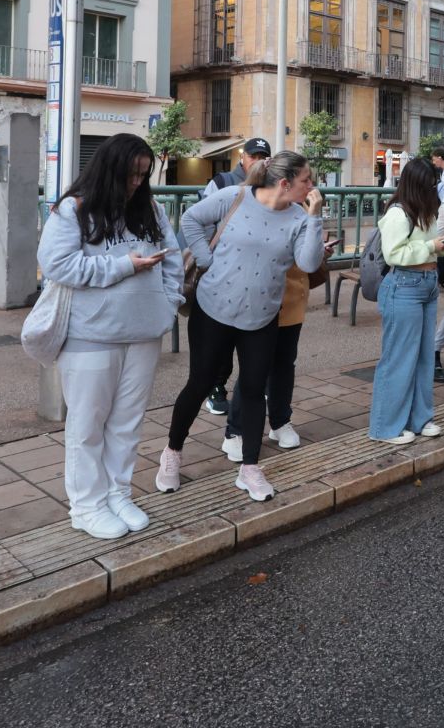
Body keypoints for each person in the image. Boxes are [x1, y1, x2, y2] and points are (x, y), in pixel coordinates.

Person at [36, 133, 184, 540]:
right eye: (129, 174)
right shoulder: (74, 209)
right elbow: (57, 265)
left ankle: (118, 492)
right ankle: (86, 505)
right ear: (109, 170)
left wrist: (168, 303)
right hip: (90, 334)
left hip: (143, 332)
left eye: (142, 175)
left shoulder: (149, 208)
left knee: (127, 423)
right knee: (87, 426)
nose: (136, 182)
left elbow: (172, 260)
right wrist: (123, 267)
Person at [163, 151, 327, 503]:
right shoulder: (235, 196)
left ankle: (250, 468)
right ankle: (172, 452)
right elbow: (191, 219)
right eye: (307, 181)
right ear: (285, 183)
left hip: (263, 317)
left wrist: (314, 218)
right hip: (213, 310)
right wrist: (207, 260)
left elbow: (309, 262)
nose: (312, 187)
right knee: (200, 383)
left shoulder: (300, 217)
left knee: (253, 390)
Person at [367, 158, 444, 444]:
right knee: (399, 358)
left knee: (424, 357)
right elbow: (394, 254)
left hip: (425, 283)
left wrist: (439, 248)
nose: (435, 189)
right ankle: (386, 427)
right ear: (418, 185)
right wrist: (431, 246)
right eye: (431, 184)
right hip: (404, 284)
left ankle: (420, 418)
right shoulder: (398, 213)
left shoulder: (423, 211)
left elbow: (419, 249)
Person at [188, 136, 273, 418]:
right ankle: (217, 387)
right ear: (243, 156)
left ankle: (244, 394)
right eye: (254, 156)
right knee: (219, 338)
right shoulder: (224, 183)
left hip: (253, 278)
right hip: (220, 273)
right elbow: (199, 219)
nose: (258, 161)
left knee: (248, 341)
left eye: (263, 156)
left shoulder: (270, 188)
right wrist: (206, 260)